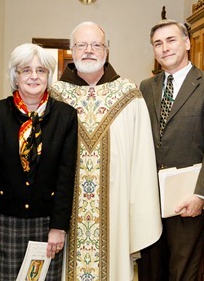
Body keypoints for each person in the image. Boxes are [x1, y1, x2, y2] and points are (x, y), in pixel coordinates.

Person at [50, 21, 162, 281]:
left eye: (96, 45)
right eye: (81, 45)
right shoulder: (55, 94)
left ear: (107, 50)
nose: (89, 50)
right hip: (64, 210)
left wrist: (137, 211)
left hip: (116, 210)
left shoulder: (128, 94)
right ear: (71, 50)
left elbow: (142, 159)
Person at [137, 19, 204, 281]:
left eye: (171, 40)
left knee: (182, 274)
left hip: (187, 201)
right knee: (150, 271)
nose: (164, 48)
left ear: (187, 43)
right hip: (149, 201)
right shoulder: (147, 87)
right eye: (158, 43)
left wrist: (200, 194)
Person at [0, 43, 78, 281]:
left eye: (41, 70)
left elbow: (66, 176)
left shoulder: (66, 115)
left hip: (46, 223)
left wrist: (58, 227)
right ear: (15, 75)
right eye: (26, 70)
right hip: (3, 222)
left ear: (49, 76)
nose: (34, 76)